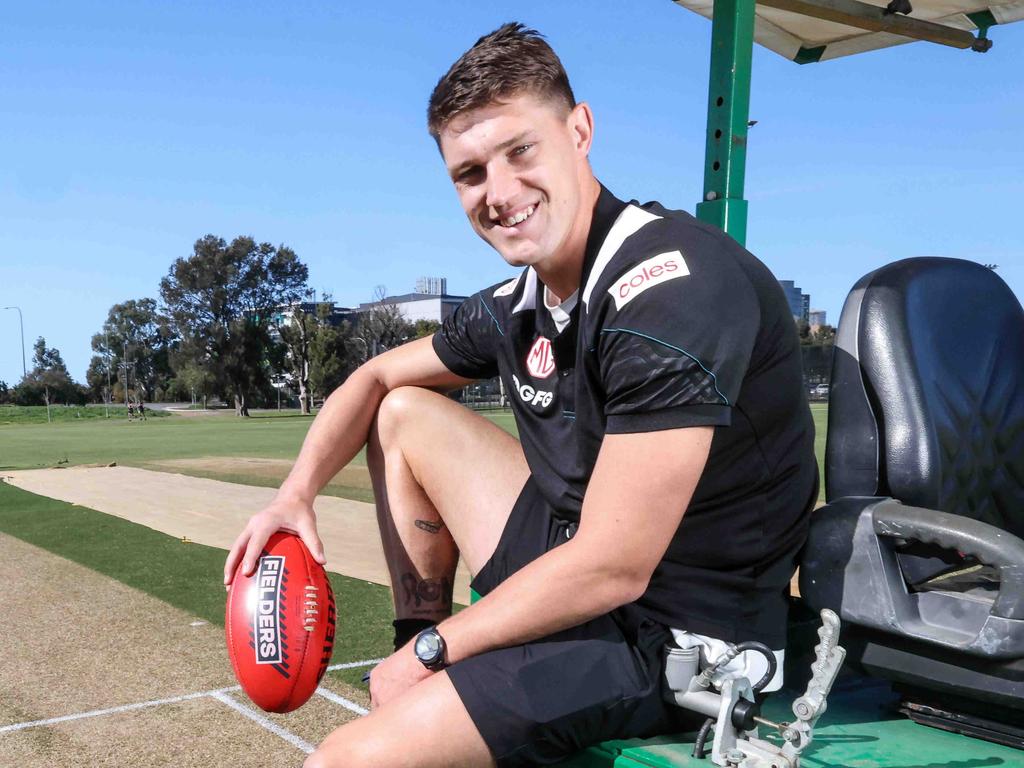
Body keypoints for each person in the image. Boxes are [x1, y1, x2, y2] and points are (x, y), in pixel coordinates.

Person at [224, 22, 817, 768]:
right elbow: (370, 380)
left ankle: (429, 664)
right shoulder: (517, 303)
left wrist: (441, 654)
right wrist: (294, 495)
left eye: (520, 151)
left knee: (344, 762)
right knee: (404, 410)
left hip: (676, 635)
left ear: (580, 130)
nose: (498, 194)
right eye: (470, 173)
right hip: (577, 568)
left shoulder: (672, 287)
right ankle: (413, 642)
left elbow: (614, 564)